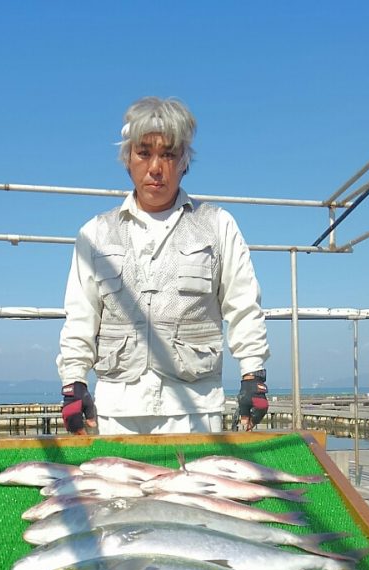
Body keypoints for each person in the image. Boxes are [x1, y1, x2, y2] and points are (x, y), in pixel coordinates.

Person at [57, 96, 270, 436]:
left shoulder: (218, 225)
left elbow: (243, 304)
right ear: (127, 159)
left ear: (185, 161)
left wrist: (253, 374)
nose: (155, 167)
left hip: (196, 408)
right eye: (144, 153)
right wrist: (74, 381)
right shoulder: (94, 234)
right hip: (117, 410)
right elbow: (81, 315)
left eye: (168, 154)